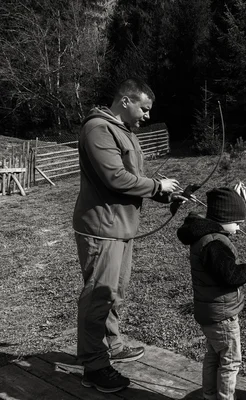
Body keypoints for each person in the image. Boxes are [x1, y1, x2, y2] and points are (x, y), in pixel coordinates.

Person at [72, 78, 182, 393]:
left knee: (115, 291)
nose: (146, 116)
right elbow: (114, 178)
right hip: (101, 228)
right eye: (144, 109)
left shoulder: (125, 132)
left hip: (121, 226)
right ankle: (94, 366)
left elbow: (132, 178)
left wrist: (166, 195)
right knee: (99, 295)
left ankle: (113, 344)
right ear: (125, 101)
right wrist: (157, 186)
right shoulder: (98, 129)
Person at [176, 186, 246, 400]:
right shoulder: (215, 244)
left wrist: (234, 194)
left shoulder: (203, 236)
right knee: (230, 361)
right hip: (223, 317)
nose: (237, 229)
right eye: (236, 223)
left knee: (214, 356)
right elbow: (231, 275)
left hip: (208, 312)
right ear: (223, 218)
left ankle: (210, 395)